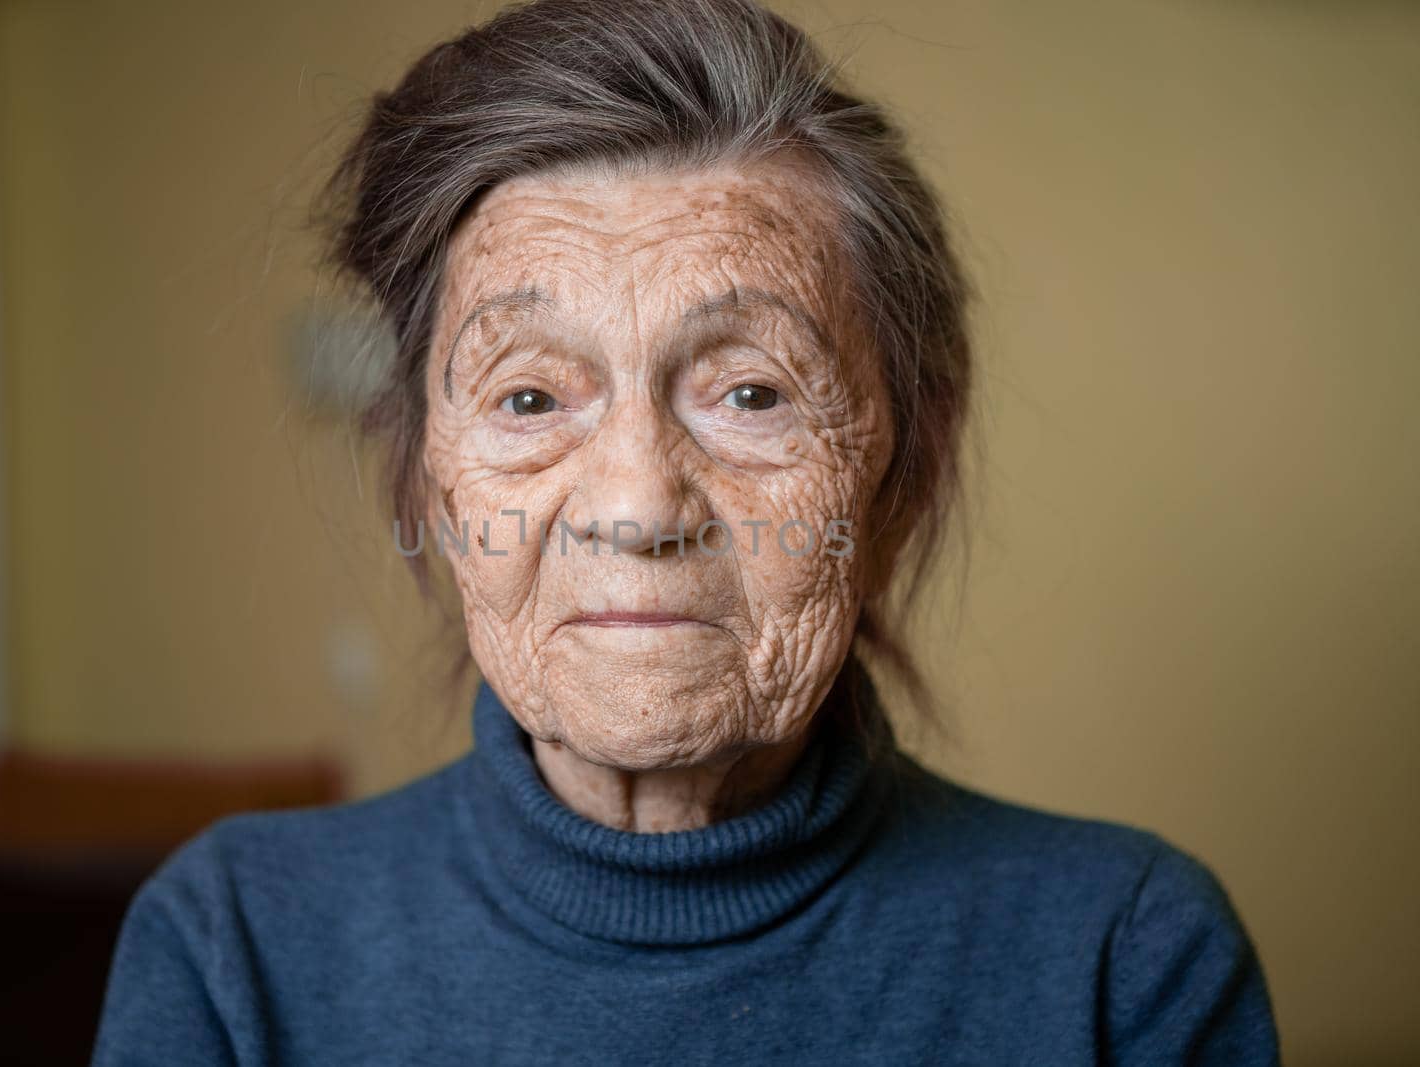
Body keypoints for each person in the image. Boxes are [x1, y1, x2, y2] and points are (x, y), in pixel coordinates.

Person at [92, 1, 1280, 1062]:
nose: (637, 506)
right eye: (528, 396)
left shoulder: (1122, 962)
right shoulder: (234, 949)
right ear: (431, 484)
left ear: (898, 472)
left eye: (751, 393)